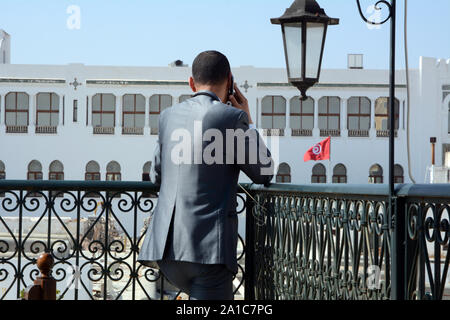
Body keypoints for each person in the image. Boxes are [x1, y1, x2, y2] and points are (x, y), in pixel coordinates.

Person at [137, 50, 273, 300]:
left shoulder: (167, 116)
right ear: (230, 82)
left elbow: (156, 176)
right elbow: (263, 171)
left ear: (191, 83)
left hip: (166, 249)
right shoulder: (233, 117)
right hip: (209, 253)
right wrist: (249, 122)